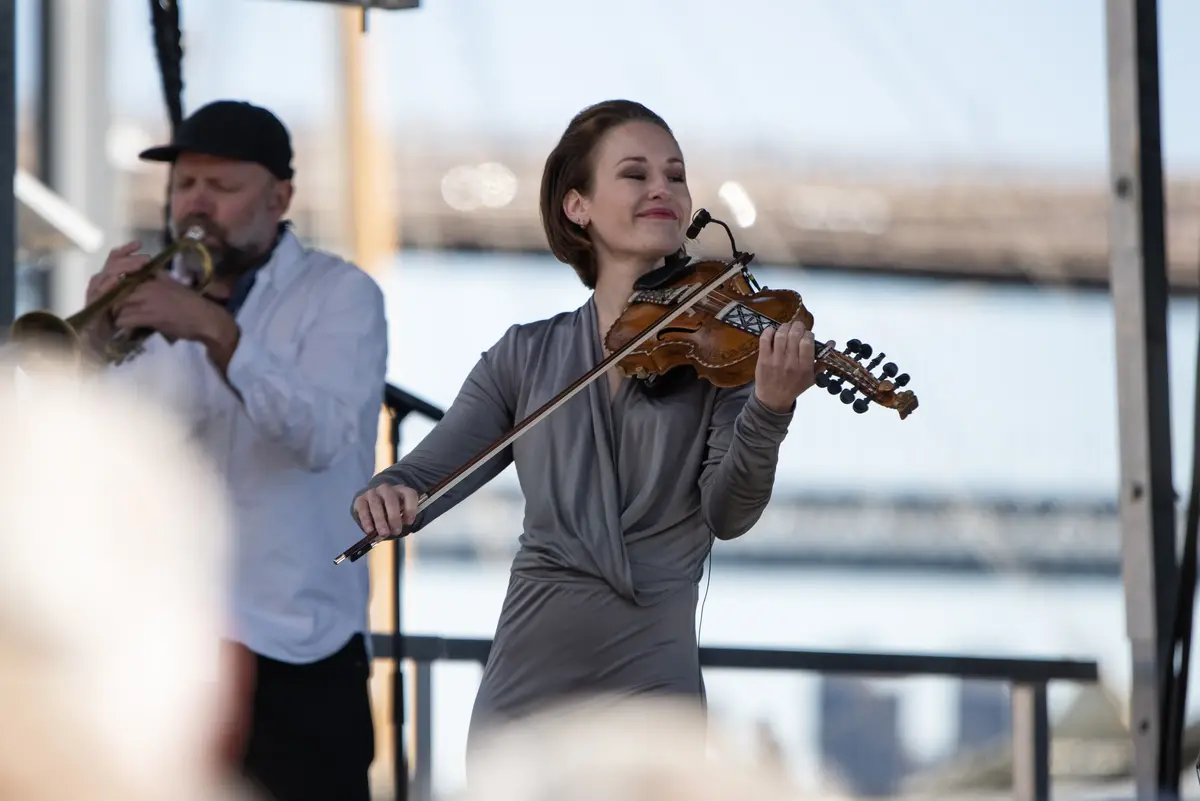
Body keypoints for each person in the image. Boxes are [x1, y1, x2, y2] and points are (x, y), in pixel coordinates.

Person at [350, 99, 813, 764]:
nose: (664, 188)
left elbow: (730, 512)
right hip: (529, 677)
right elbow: (424, 476)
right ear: (578, 207)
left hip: (652, 682)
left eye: (675, 176)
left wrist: (768, 408)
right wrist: (387, 492)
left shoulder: (724, 358)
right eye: (635, 174)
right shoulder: (524, 356)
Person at [83, 99, 388, 801]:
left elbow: (320, 435)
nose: (195, 204)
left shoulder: (341, 295)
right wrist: (92, 351)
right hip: (163, 646)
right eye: (185, 184)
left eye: (221, 188)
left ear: (280, 197)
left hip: (297, 646)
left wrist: (218, 334)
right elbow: (96, 458)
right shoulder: (145, 300)